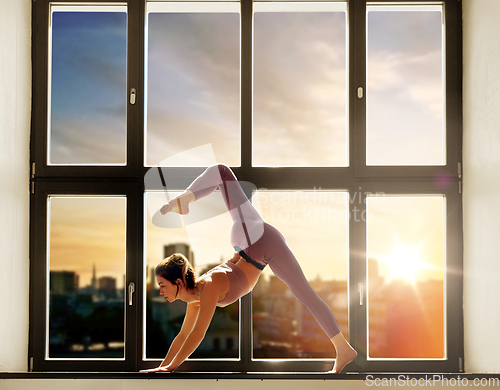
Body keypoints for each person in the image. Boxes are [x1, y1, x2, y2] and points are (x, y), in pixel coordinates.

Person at [141, 164, 357, 374]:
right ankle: (185, 199)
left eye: (162, 285)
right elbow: (183, 335)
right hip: (247, 238)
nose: (159, 292)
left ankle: (343, 349)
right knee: (221, 171)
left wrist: (170, 368)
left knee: (307, 296)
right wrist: (162, 368)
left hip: (259, 242)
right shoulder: (197, 295)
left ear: (178, 282)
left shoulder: (208, 287)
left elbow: (197, 334)